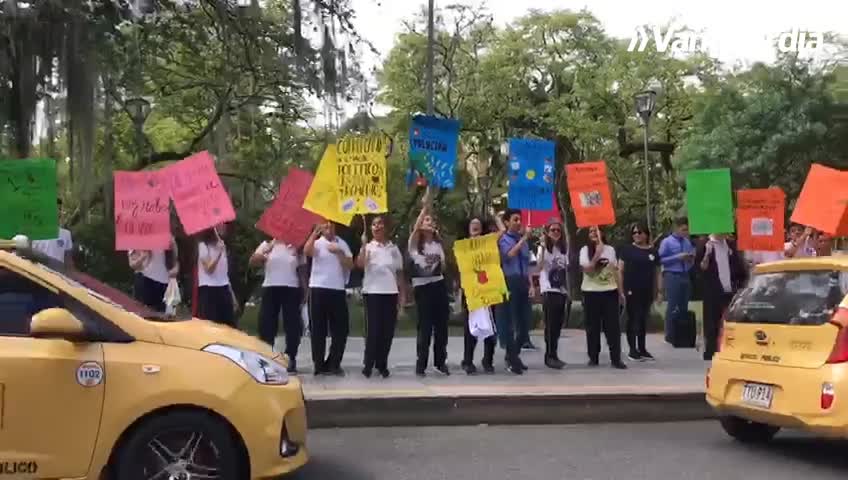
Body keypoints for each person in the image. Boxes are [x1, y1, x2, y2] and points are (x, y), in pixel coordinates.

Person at [408, 190, 451, 376]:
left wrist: (442, 264)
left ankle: (440, 361)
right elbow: (417, 228)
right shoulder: (415, 243)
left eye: (431, 221)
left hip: (438, 285)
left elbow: (445, 266)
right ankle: (421, 363)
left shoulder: (438, 244)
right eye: (427, 220)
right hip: (423, 288)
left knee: (441, 326)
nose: (430, 223)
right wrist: (425, 206)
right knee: (425, 327)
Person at [249, 238, 308, 373]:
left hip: (291, 287)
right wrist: (266, 251)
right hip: (270, 287)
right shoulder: (267, 245)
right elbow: (252, 261)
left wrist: (305, 290)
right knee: (266, 323)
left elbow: (303, 270)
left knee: (292, 325)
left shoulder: (296, 247)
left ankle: (290, 357)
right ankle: (267, 357)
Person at [357, 215, 405, 379]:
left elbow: (399, 275)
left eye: (380, 224)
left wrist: (402, 298)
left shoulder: (393, 249)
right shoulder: (369, 247)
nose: (377, 227)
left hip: (390, 293)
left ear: (385, 228)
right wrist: (363, 246)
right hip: (372, 293)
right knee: (373, 331)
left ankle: (382, 363)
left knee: (387, 331)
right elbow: (360, 264)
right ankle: (368, 364)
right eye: (374, 225)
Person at [304, 220, 353, 376]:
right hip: (318, 288)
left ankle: (334, 363)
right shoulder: (318, 243)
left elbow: (350, 265)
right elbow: (307, 251)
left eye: (331, 224)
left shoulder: (342, 244)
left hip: (337, 289)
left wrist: (339, 252)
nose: (328, 227)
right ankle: (318, 364)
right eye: (325, 225)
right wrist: (314, 234)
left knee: (341, 329)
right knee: (318, 329)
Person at [579, 226, 627, 369]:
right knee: (592, 326)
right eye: (591, 231)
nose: (593, 233)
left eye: (596, 230)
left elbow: (615, 271)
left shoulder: (610, 250)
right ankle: (593, 357)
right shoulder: (584, 250)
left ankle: (616, 358)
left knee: (612, 326)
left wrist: (620, 292)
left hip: (609, 291)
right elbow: (587, 270)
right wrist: (596, 255)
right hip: (590, 292)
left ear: (602, 233)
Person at [459, 216, 501, 375]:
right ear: (469, 228)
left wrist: (496, 217)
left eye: (478, 225)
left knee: (491, 324)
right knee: (471, 326)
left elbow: (502, 231)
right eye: (472, 225)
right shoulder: (463, 246)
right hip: (471, 290)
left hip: (489, 289)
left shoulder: (488, 243)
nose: (475, 227)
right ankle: (467, 360)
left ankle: (488, 360)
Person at [696, 233, 747, 360]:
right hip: (712, 289)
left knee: (730, 321)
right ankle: (711, 350)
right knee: (712, 321)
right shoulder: (705, 244)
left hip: (730, 288)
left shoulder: (729, 244)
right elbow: (700, 268)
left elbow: (738, 268)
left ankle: (729, 349)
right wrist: (707, 254)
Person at [496, 209, 532, 374]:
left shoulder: (523, 241)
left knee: (524, 324)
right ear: (506, 222)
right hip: (509, 281)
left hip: (523, 281)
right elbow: (509, 255)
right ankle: (512, 359)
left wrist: (531, 284)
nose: (519, 222)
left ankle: (513, 355)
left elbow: (527, 264)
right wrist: (524, 238)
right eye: (515, 219)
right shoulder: (504, 239)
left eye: (520, 220)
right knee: (510, 322)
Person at [619, 223, 660, 362]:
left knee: (643, 319)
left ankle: (642, 348)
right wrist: (621, 290)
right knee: (633, 318)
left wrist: (658, 290)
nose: (637, 235)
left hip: (646, 290)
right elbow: (620, 270)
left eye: (640, 232)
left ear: (646, 234)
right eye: (634, 232)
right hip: (631, 289)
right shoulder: (627, 250)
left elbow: (657, 272)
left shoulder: (653, 251)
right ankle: (632, 349)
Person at [533, 218, 569, 370]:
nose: (555, 232)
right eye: (552, 230)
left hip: (560, 290)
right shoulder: (543, 248)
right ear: (547, 232)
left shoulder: (563, 250)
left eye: (558, 230)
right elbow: (538, 267)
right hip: (548, 289)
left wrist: (568, 291)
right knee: (551, 325)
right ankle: (549, 356)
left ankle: (554, 354)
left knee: (558, 325)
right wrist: (541, 247)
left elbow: (565, 270)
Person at [658, 217, 695, 345]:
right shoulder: (666, 242)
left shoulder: (687, 242)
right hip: (672, 275)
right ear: (676, 228)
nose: (685, 232)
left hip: (685, 274)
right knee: (672, 305)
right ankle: (669, 334)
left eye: (687, 230)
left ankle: (681, 333)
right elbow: (660, 260)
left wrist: (690, 259)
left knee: (684, 305)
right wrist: (677, 257)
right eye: (683, 230)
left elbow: (691, 258)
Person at [196, 225, 236, 326]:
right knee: (211, 325)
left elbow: (224, 275)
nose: (223, 226)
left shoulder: (222, 245)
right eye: (219, 225)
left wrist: (232, 296)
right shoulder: (203, 246)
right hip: (209, 290)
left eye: (223, 224)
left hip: (223, 288)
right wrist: (218, 253)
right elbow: (209, 269)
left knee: (228, 325)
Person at [128, 237, 179, 311]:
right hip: (145, 280)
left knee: (159, 317)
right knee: (142, 314)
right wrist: (142, 258)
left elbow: (175, 261)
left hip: (164, 283)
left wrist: (175, 269)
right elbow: (132, 264)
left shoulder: (168, 237)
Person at [32, 199, 74, 267]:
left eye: (60, 209)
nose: (58, 212)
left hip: (57, 275)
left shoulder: (66, 234)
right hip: (38, 274)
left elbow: (68, 262)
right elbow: (29, 255)